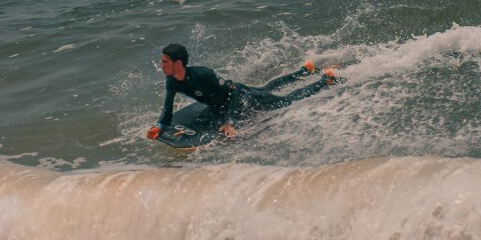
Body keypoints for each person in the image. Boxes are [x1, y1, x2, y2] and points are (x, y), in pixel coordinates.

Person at [146, 43, 340, 139]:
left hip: (241, 97)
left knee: (283, 101)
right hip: (218, 106)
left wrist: (230, 122)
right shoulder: (172, 81)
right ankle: (304, 71)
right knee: (266, 89)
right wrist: (159, 126)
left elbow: (233, 93)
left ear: (178, 63)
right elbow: (167, 110)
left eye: (164, 62)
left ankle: (325, 80)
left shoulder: (203, 74)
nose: (161, 65)